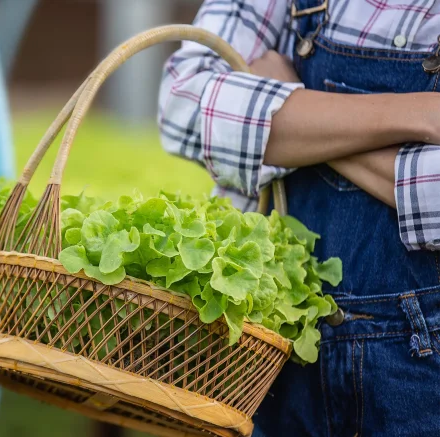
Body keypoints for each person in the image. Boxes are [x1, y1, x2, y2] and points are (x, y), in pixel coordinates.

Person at [159, 1, 440, 435]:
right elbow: (182, 107)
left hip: (424, 376)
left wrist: (293, 110)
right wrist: (416, 115)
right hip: (266, 354)